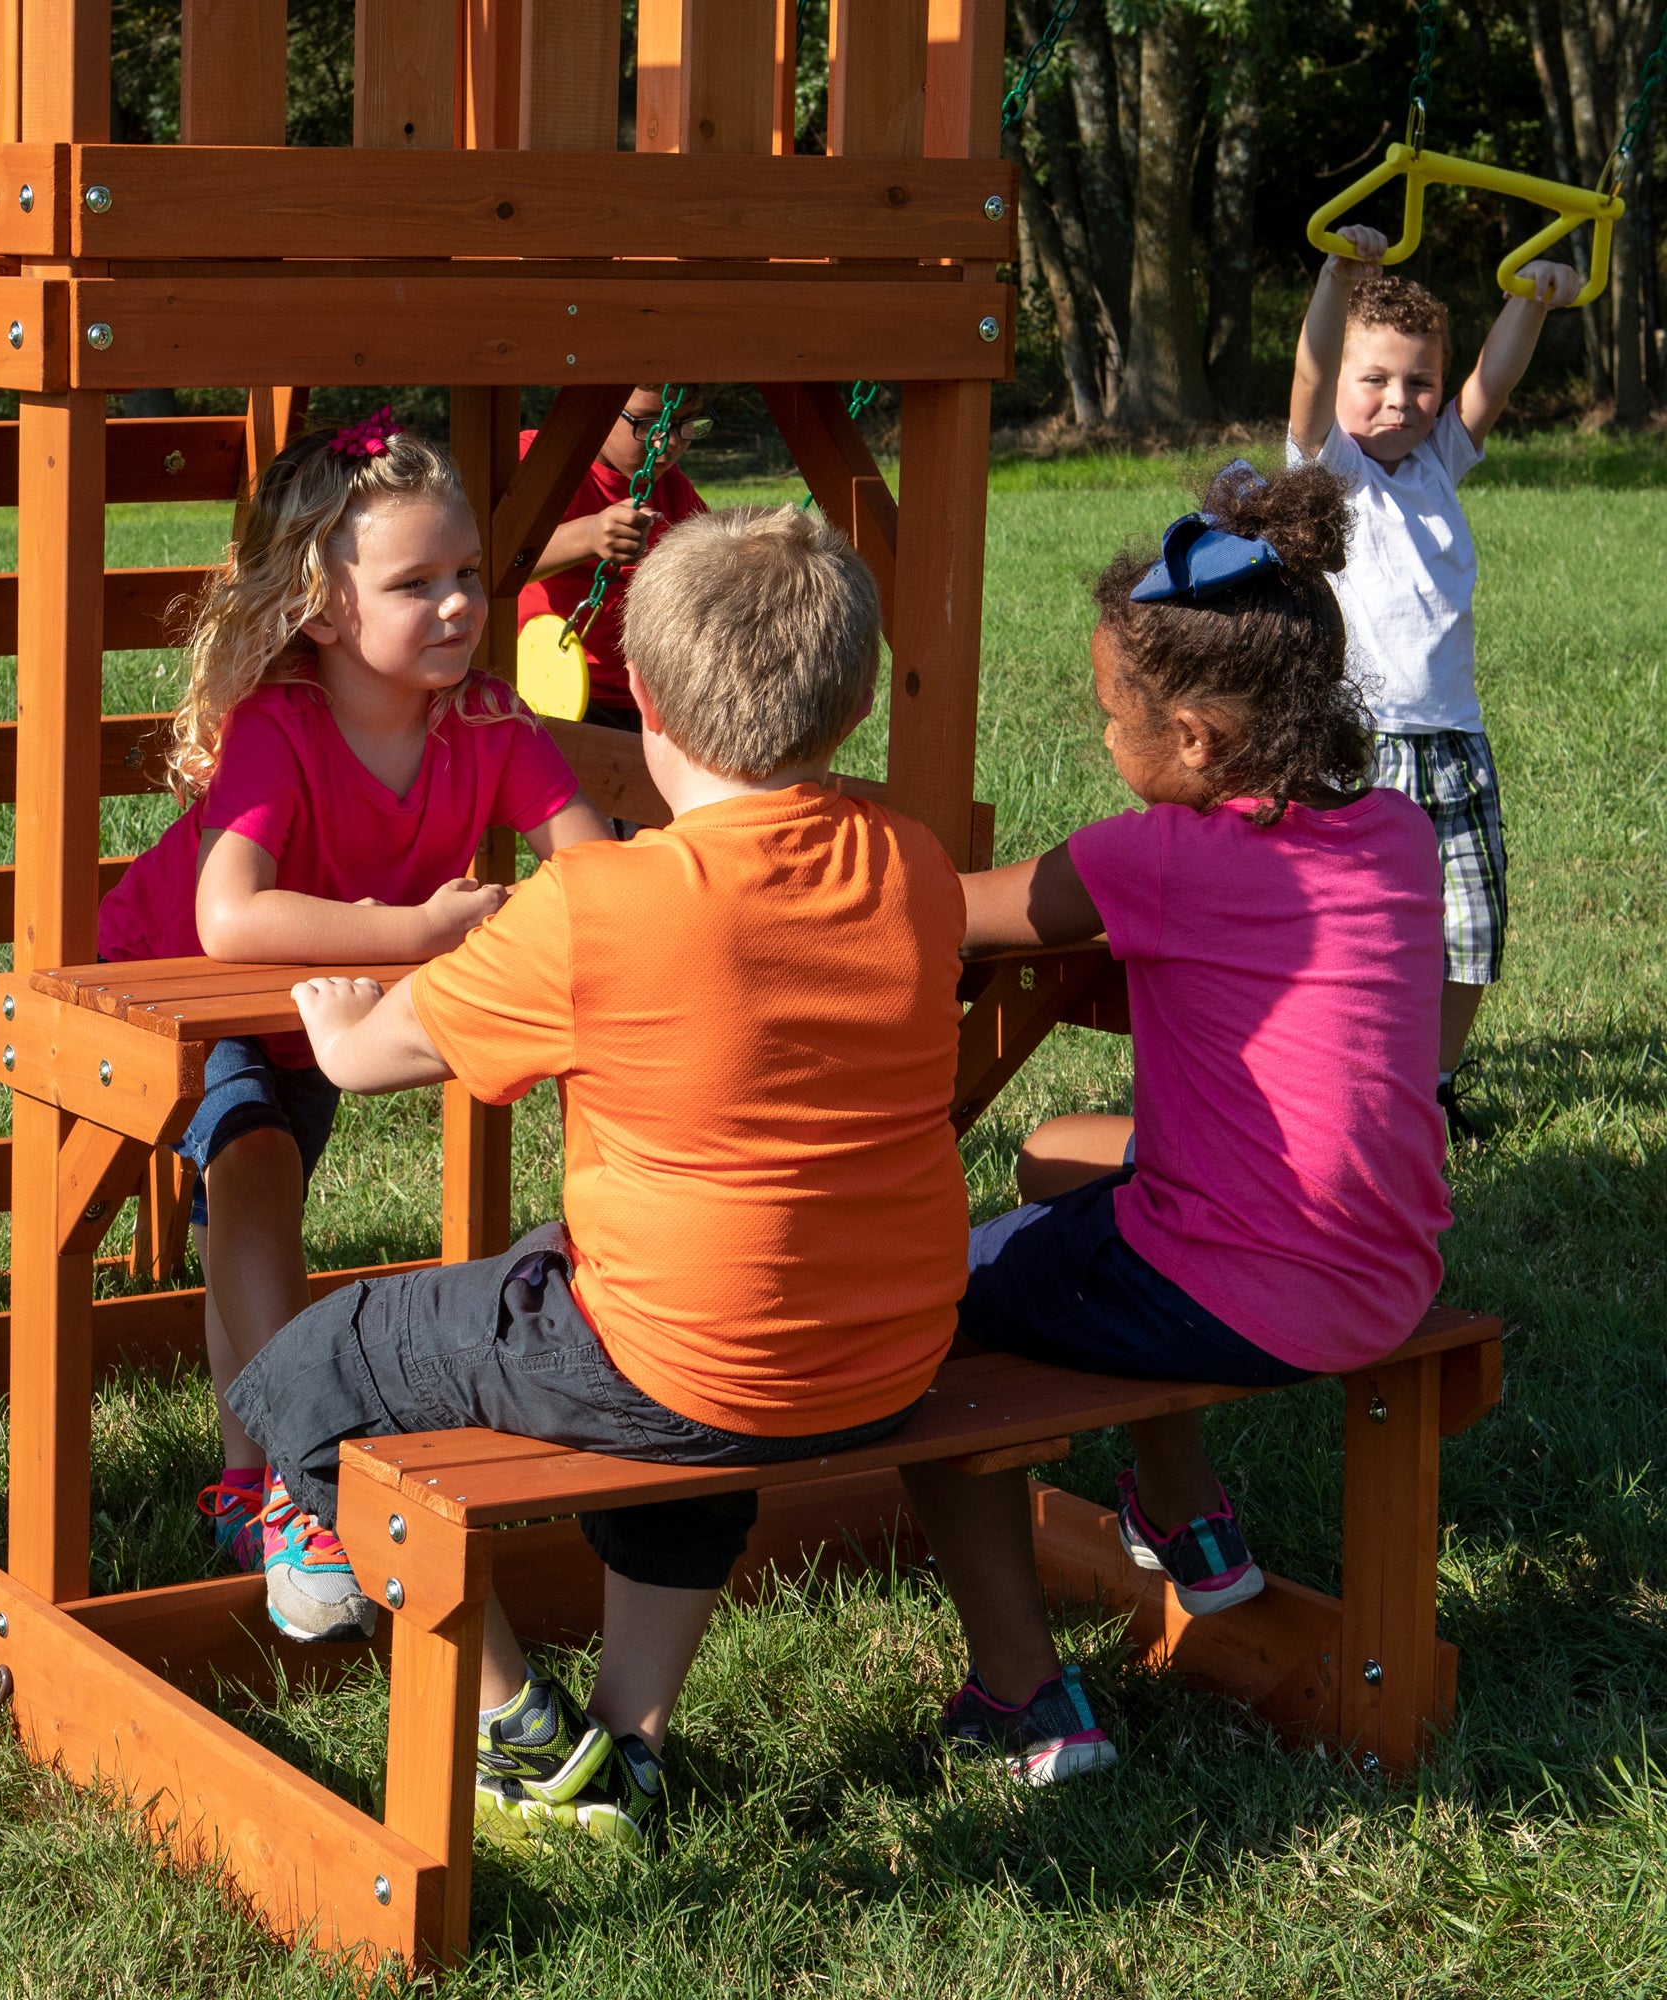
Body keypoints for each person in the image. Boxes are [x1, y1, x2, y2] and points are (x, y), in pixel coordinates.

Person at [224, 505, 969, 1847]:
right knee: (635, 1305)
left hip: (699, 1360)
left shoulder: (604, 903)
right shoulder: (910, 862)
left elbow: (371, 1058)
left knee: (310, 1367)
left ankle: (518, 1733)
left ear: (652, 723)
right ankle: (631, 1742)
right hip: (886, 1350)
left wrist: (333, 1027)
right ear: (852, 706)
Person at [902, 461, 1453, 1785]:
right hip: (1387, 1270)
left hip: (1247, 1288)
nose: (1103, 740)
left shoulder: (1154, 857)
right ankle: (1190, 1525)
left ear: (1196, 741)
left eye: (1109, 715)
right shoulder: (1394, 838)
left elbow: (949, 914)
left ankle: (1027, 1697)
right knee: (1061, 1163)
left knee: (918, 1316)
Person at [96, 411, 609, 1629]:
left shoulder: (483, 717)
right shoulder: (281, 725)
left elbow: (588, 861)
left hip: (316, 1002)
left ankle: (248, 1479)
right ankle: (306, 1477)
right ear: (324, 611)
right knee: (259, 1171)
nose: (457, 605)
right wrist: (420, 932)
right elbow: (228, 917)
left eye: (470, 575)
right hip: (172, 986)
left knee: (247, 1219)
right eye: (414, 582)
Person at [1289, 228, 1583, 1140]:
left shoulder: (1437, 465)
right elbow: (1308, 376)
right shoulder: (1329, 470)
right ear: (1343, 386)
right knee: (1352, 932)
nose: (1398, 402)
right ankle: (1343, 1076)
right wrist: (1339, 278)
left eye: (1419, 382)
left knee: (1469, 933)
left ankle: (1434, 1086)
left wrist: (1529, 300)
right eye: (1374, 379)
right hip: (1357, 744)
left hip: (1455, 741)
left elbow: (1491, 382)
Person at [515, 385, 710, 729]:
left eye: (686, 423)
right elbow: (494, 557)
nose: (669, 442)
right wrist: (588, 536)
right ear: (595, 409)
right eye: (649, 423)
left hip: (648, 694)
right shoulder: (541, 461)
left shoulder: (670, 487)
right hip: (551, 692)